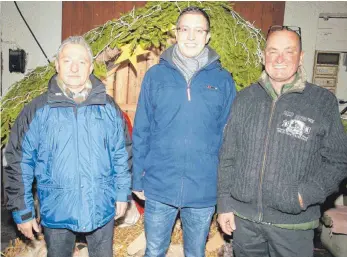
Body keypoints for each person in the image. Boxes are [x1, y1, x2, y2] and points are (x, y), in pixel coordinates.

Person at [217, 25, 347, 257]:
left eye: (288, 51)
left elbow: (338, 160)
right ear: (264, 56)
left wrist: (304, 195)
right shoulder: (245, 98)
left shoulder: (321, 102)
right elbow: (228, 155)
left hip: (293, 225)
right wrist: (225, 204)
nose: (279, 58)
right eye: (273, 51)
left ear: (301, 57)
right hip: (245, 223)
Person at [4, 36, 132, 257]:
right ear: (57, 64)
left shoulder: (108, 107)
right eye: (67, 61)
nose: (74, 68)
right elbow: (18, 161)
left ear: (90, 67)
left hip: (101, 206)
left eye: (81, 62)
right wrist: (23, 211)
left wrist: (122, 193)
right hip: (57, 210)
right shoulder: (37, 110)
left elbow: (122, 153)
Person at [132, 6, 236, 257]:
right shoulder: (155, 76)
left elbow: (230, 139)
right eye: (185, 29)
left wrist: (225, 191)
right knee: (154, 250)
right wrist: (137, 177)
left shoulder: (223, 80)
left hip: (203, 188)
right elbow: (142, 129)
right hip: (159, 185)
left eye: (199, 30)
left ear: (208, 36)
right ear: (175, 33)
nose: (191, 36)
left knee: (195, 252)